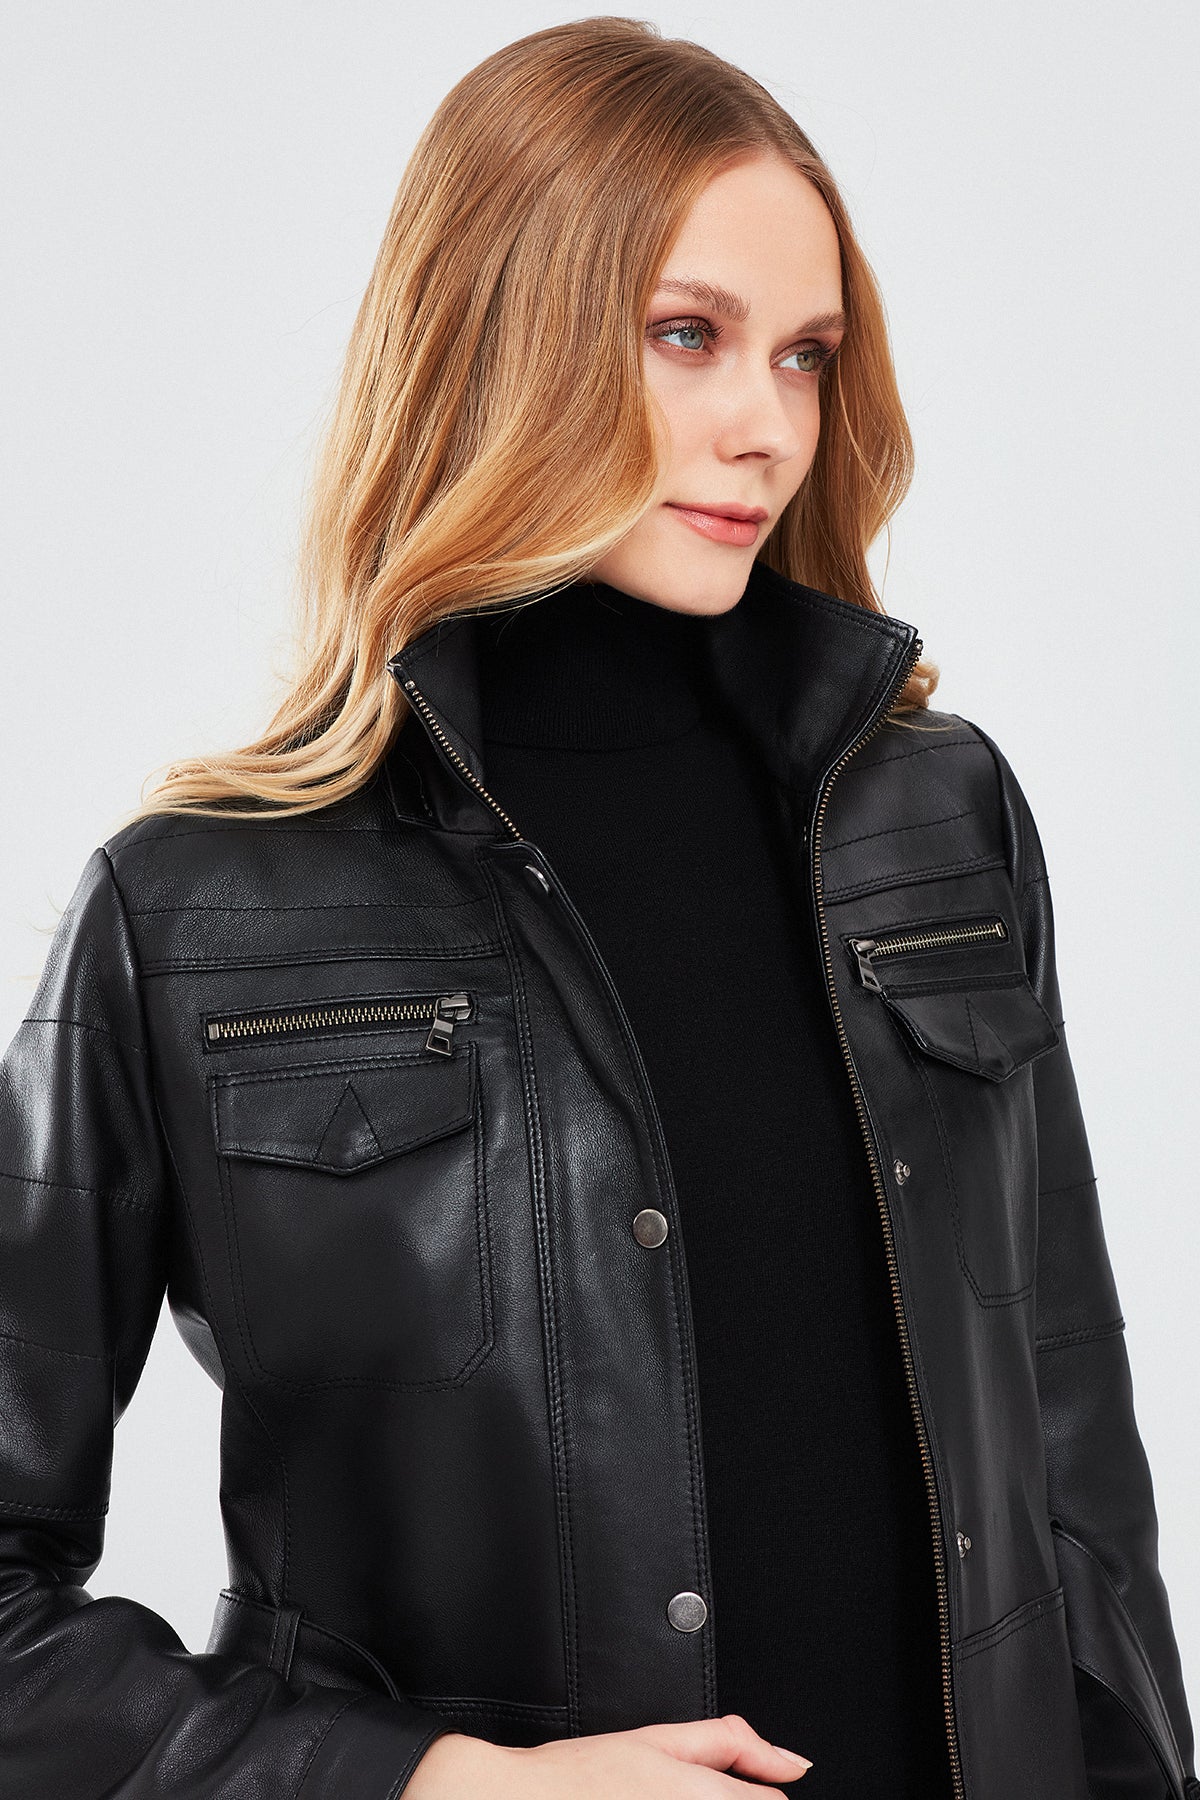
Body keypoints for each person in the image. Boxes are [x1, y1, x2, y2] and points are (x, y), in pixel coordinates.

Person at [0, 17, 1194, 1800]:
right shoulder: (192, 911)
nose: (766, 426)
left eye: (805, 356)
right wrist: (445, 1784)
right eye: (686, 334)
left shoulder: (936, 819)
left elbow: (1074, 1460)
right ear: (501, 332)